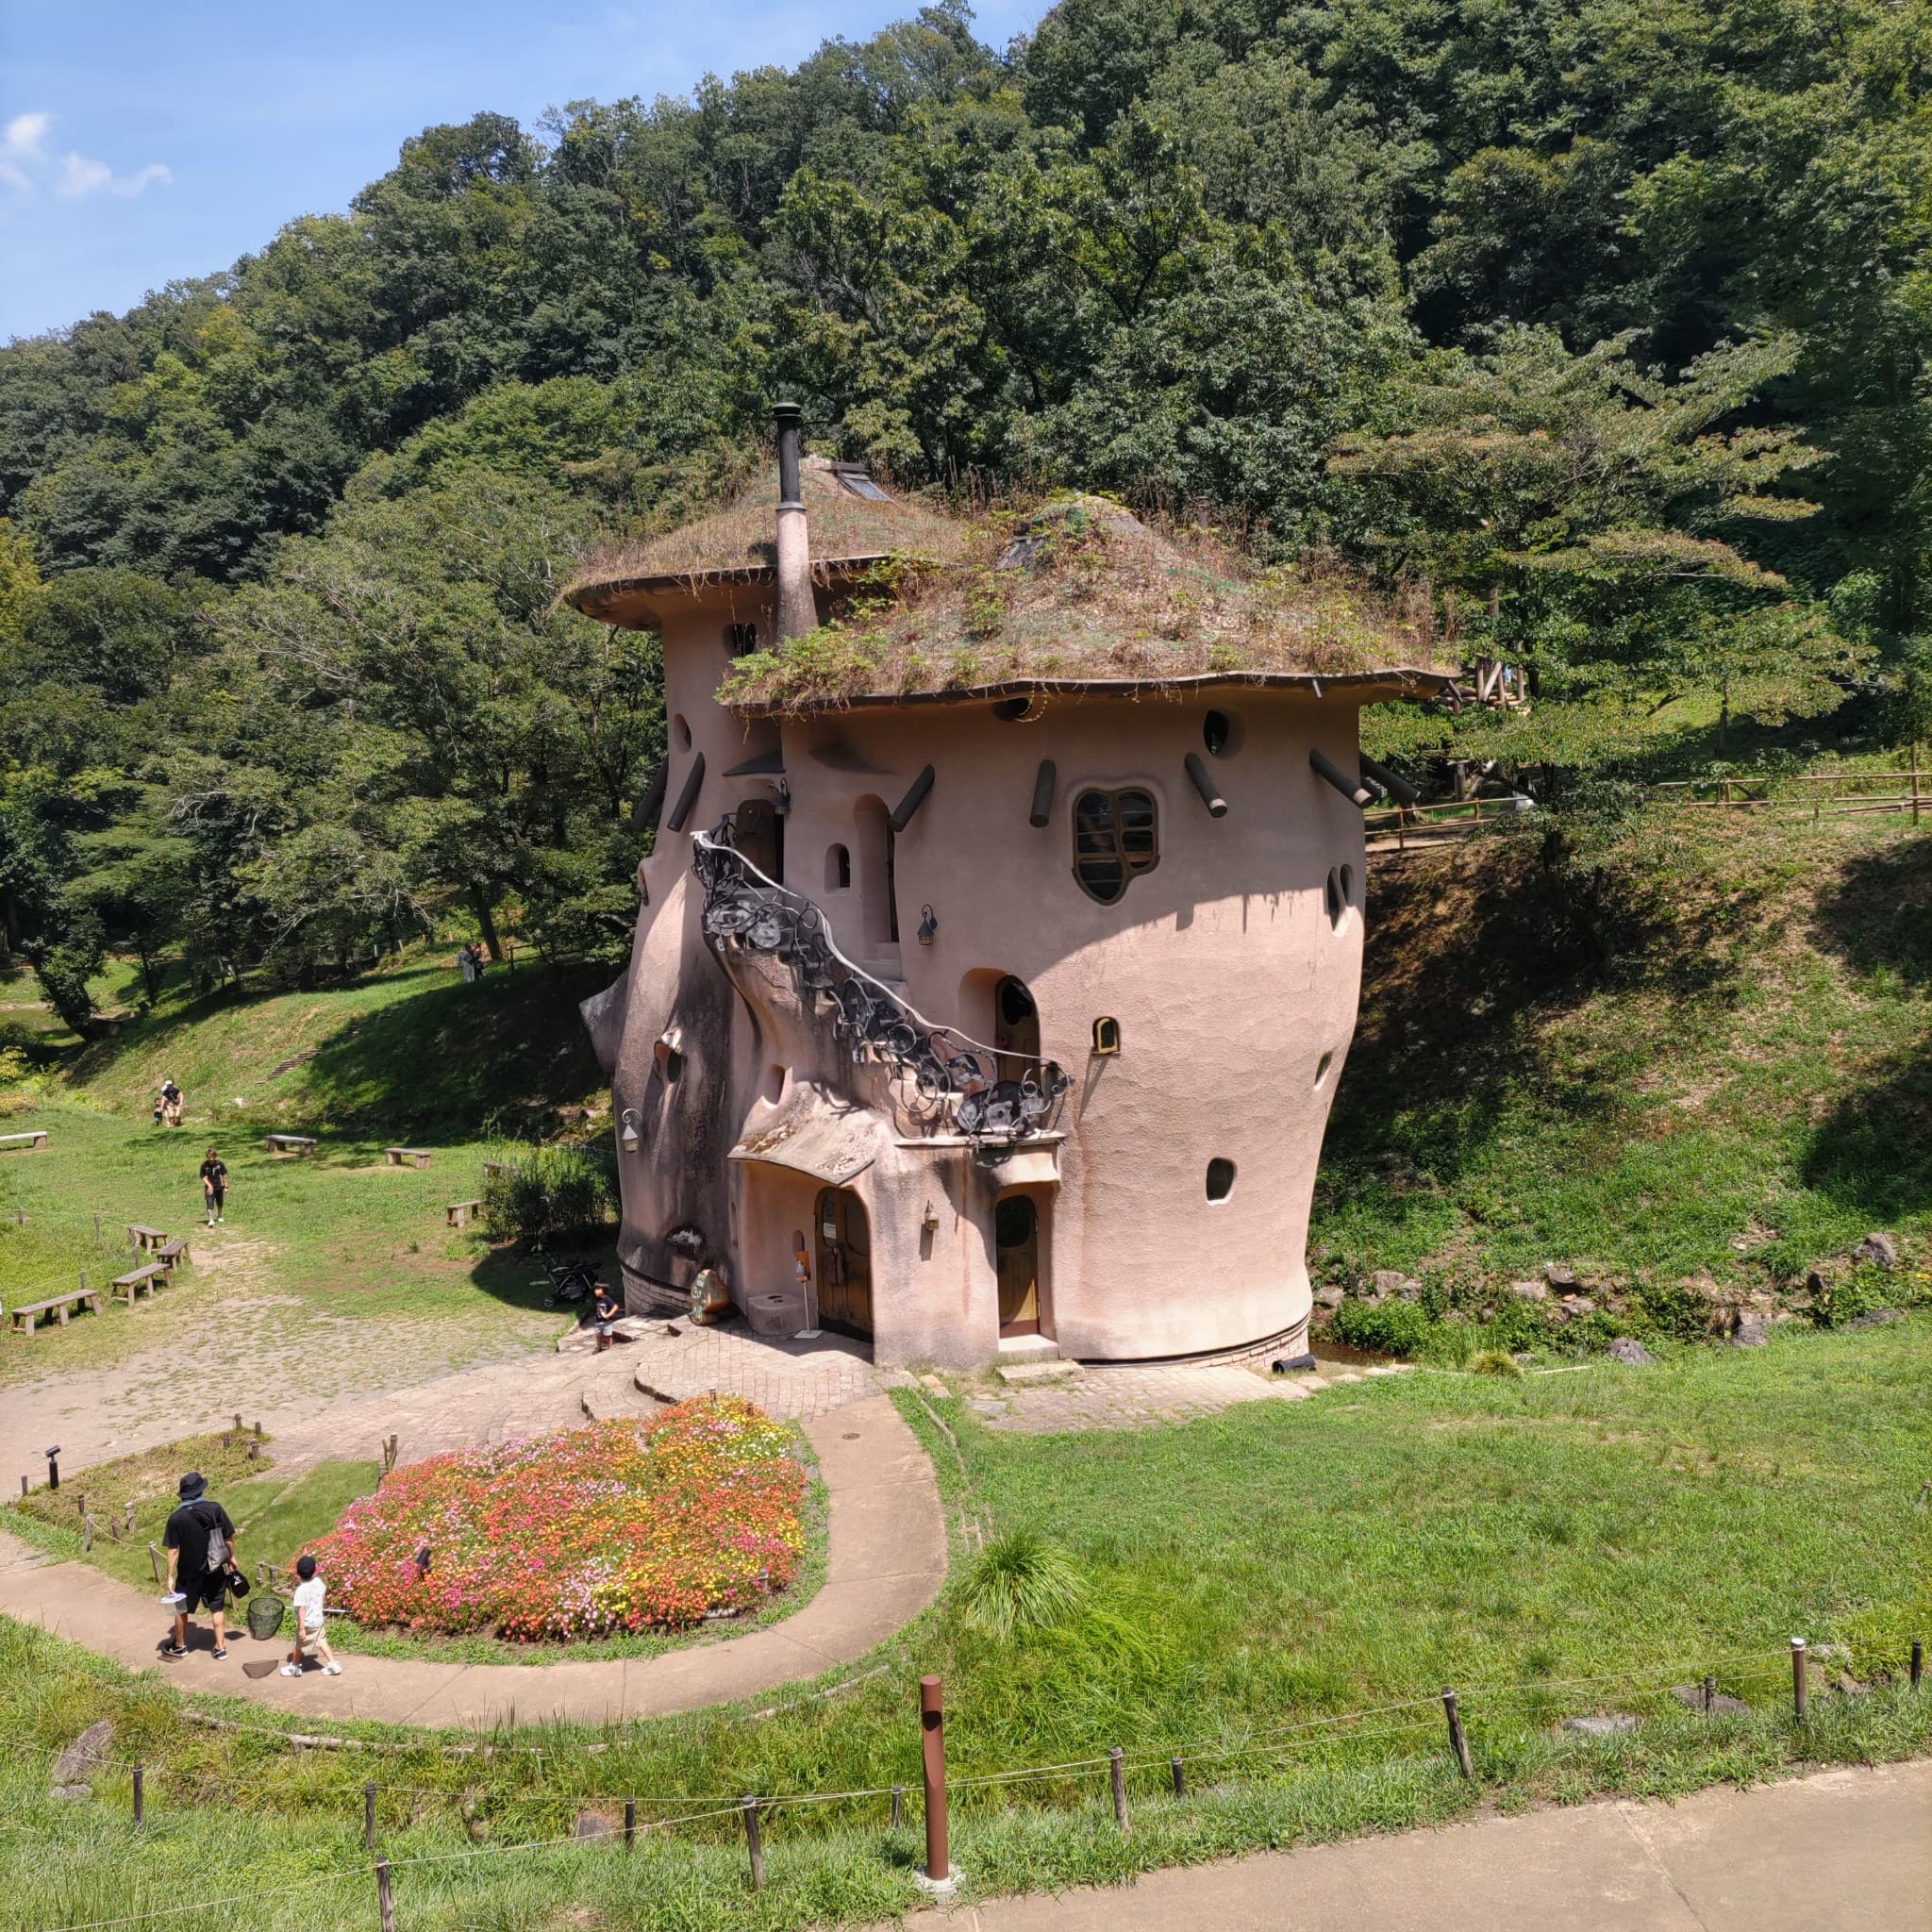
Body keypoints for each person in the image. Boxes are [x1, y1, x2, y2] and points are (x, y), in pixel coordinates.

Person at [161, 1471, 238, 1660]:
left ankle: (179, 1646)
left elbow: (173, 1550)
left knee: (181, 1609)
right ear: (201, 1490)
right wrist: (231, 1557)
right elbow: (228, 1538)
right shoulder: (215, 1509)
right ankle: (220, 1647)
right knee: (217, 1607)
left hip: (188, 1572)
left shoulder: (176, 1518)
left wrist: (170, 1576)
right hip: (214, 1567)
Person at [280, 1554, 342, 1677]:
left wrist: (302, 1628)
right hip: (318, 1619)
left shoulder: (301, 1590)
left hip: (307, 1624)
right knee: (321, 1640)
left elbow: (302, 1609)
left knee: (299, 1645)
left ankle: (294, 1666)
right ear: (315, 1571)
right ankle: (333, 1665)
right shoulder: (318, 1582)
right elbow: (322, 1595)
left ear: (297, 1573)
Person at [199, 1147, 228, 1227]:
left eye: (212, 1157)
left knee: (220, 1203)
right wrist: (209, 1186)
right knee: (209, 1204)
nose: (211, 1159)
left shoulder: (220, 1164)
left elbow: (224, 1175)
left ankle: (219, 1215)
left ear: (215, 1156)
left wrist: (226, 1186)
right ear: (207, 1157)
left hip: (219, 1187)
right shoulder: (204, 1165)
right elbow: (203, 1177)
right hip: (209, 1188)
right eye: (209, 1157)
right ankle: (211, 1219)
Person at [591, 1279, 622, 1351]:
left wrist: (608, 1315)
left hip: (607, 1322)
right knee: (598, 1335)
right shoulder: (597, 1299)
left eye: (598, 1289)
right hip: (598, 1322)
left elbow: (615, 1307)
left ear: (604, 1290)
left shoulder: (607, 1299)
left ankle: (610, 1348)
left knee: (608, 1335)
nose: (596, 1291)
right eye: (595, 1289)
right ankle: (599, 1347)